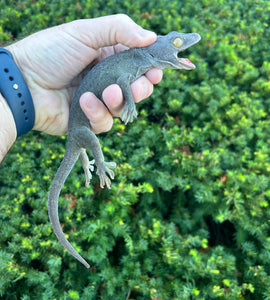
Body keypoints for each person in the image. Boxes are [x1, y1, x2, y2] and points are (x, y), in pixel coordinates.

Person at [0, 14, 163, 163]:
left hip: (57, 108)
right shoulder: (140, 56)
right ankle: (97, 164)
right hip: (64, 107)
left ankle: (90, 163)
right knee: (90, 136)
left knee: (89, 134)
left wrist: (20, 82)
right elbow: (123, 79)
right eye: (176, 42)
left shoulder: (141, 61)